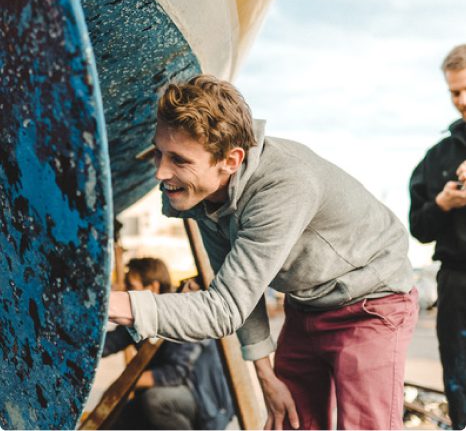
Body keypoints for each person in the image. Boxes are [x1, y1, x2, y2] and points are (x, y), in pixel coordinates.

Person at [110, 75, 418, 430]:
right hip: (307, 305)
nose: (162, 172)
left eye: (178, 159)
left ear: (231, 159)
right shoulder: (201, 190)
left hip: (371, 303)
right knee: (291, 422)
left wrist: (114, 303)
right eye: (159, 152)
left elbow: (222, 309)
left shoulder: (284, 188)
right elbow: (236, 288)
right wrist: (265, 375)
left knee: (367, 426)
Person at [103, 257, 234, 430]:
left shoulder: (182, 314)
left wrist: (126, 383)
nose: (126, 292)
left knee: (154, 401)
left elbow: (175, 373)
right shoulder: (140, 318)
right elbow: (107, 344)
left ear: (153, 288)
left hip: (203, 400)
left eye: (132, 287)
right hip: (171, 394)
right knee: (115, 419)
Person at [409, 44, 466, 430]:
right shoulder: (436, 156)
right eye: (454, 92)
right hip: (456, 279)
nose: (461, 100)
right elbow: (418, 227)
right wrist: (442, 203)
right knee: (458, 370)